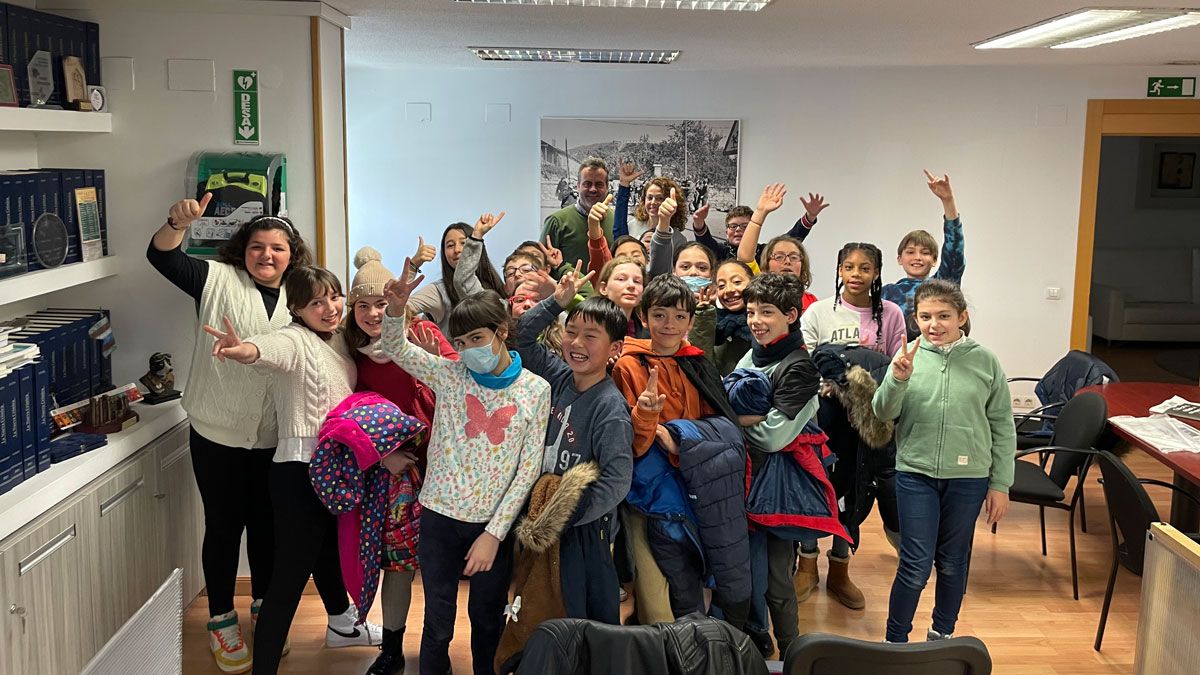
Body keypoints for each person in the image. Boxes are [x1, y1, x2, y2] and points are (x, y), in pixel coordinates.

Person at [147, 193, 312, 674]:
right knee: (223, 526)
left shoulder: (301, 296)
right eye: (257, 246)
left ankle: (264, 608)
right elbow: (163, 256)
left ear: (291, 254)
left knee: (267, 526)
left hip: (275, 435)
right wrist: (175, 222)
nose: (266, 255)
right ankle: (221, 618)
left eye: (277, 248)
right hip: (217, 432)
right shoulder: (215, 279)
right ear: (243, 249)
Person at [202, 266, 381, 675]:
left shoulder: (336, 339)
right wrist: (240, 348)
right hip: (301, 473)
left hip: (330, 470)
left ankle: (342, 624)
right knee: (287, 582)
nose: (330, 307)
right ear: (297, 309)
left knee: (325, 554)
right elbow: (266, 350)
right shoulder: (295, 340)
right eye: (316, 302)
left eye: (334, 297)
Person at [379, 274, 551, 675]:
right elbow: (394, 347)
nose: (467, 349)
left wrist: (494, 534)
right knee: (437, 621)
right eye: (459, 342)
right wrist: (396, 309)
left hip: (492, 527)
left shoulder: (535, 390)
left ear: (501, 331)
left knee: (487, 619)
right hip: (438, 517)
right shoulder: (450, 375)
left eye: (476, 338)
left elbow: (527, 471)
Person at [871, 279, 1014, 643]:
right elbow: (882, 412)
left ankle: (941, 636)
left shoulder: (985, 361)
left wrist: (1000, 484)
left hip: (968, 479)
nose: (934, 324)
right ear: (915, 319)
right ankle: (895, 641)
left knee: (952, 563)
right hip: (915, 475)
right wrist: (898, 379)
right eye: (925, 316)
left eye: (944, 316)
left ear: (962, 317)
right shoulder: (907, 357)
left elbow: (1002, 424)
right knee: (915, 566)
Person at [343, 248, 459, 675]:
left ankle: (436, 650)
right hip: (394, 472)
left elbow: (460, 379)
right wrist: (383, 454)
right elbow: (346, 411)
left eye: (381, 302)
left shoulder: (422, 330)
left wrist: (435, 358)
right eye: (363, 305)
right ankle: (391, 650)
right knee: (397, 563)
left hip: (443, 462)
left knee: (440, 564)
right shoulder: (349, 349)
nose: (373, 313)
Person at [611, 275, 745, 628]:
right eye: (659, 315)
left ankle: (702, 640)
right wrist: (646, 414)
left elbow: (722, 426)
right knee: (675, 568)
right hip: (655, 489)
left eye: (679, 316)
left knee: (703, 565)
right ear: (643, 317)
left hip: (699, 478)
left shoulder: (698, 362)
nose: (669, 324)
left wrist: (681, 438)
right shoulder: (630, 364)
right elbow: (633, 444)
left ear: (689, 320)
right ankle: (684, 643)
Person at [515, 269, 633, 624]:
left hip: (583, 530)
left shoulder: (610, 407)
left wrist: (567, 518)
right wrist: (556, 303)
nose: (577, 344)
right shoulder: (559, 375)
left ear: (615, 349)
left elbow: (617, 479)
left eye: (591, 337)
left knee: (583, 613)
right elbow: (523, 337)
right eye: (571, 332)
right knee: (539, 604)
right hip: (540, 518)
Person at [797, 242, 905, 610]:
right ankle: (806, 563)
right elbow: (804, 360)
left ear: (876, 273)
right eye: (848, 267)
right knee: (819, 484)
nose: (855, 275)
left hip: (866, 422)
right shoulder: (818, 311)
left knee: (855, 489)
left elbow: (896, 366)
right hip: (822, 417)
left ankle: (840, 568)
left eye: (864, 268)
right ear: (839, 270)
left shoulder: (890, 313)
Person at [734, 273, 826, 658]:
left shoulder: (800, 367)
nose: (756, 320)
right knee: (749, 572)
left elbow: (773, 436)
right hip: (748, 478)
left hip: (780, 487)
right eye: (752, 311)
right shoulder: (754, 352)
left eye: (767, 312)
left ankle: (792, 652)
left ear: (791, 315)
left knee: (776, 577)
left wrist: (736, 423)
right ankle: (756, 644)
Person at [882, 170, 966, 341]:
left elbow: (954, 249)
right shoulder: (887, 293)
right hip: (898, 358)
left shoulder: (941, 285)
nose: (917, 257)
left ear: (935, 260)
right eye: (910, 252)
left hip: (938, 353)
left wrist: (948, 201)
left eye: (925, 253)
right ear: (899, 259)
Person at [408, 220, 505, 334]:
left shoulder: (495, 284)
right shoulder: (438, 291)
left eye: (464, 243)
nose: (457, 250)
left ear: (478, 248)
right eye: (450, 245)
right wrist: (412, 266)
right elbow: (395, 307)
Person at [694, 189, 825, 263]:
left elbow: (789, 240)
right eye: (733, 226)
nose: (738, 229)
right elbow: (705, 242)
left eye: (745, 226)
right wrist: (699, 222)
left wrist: (809, 217)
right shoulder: (720, 251)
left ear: (753, 230)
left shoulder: (763, 252)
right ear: (726, 231)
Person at [542, 157, 613, 267]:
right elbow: (541, 265)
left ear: (607, 188)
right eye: (587, 184)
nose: (593, 189)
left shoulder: (615, 221)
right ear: (578, 187)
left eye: (599, 184)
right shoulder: (556, 222)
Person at [713, 260, 755, 376]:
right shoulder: (714, 322)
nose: (729, 290)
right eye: (721, 285)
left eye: (737, 282)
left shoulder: (767, 322)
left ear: (753, 282)